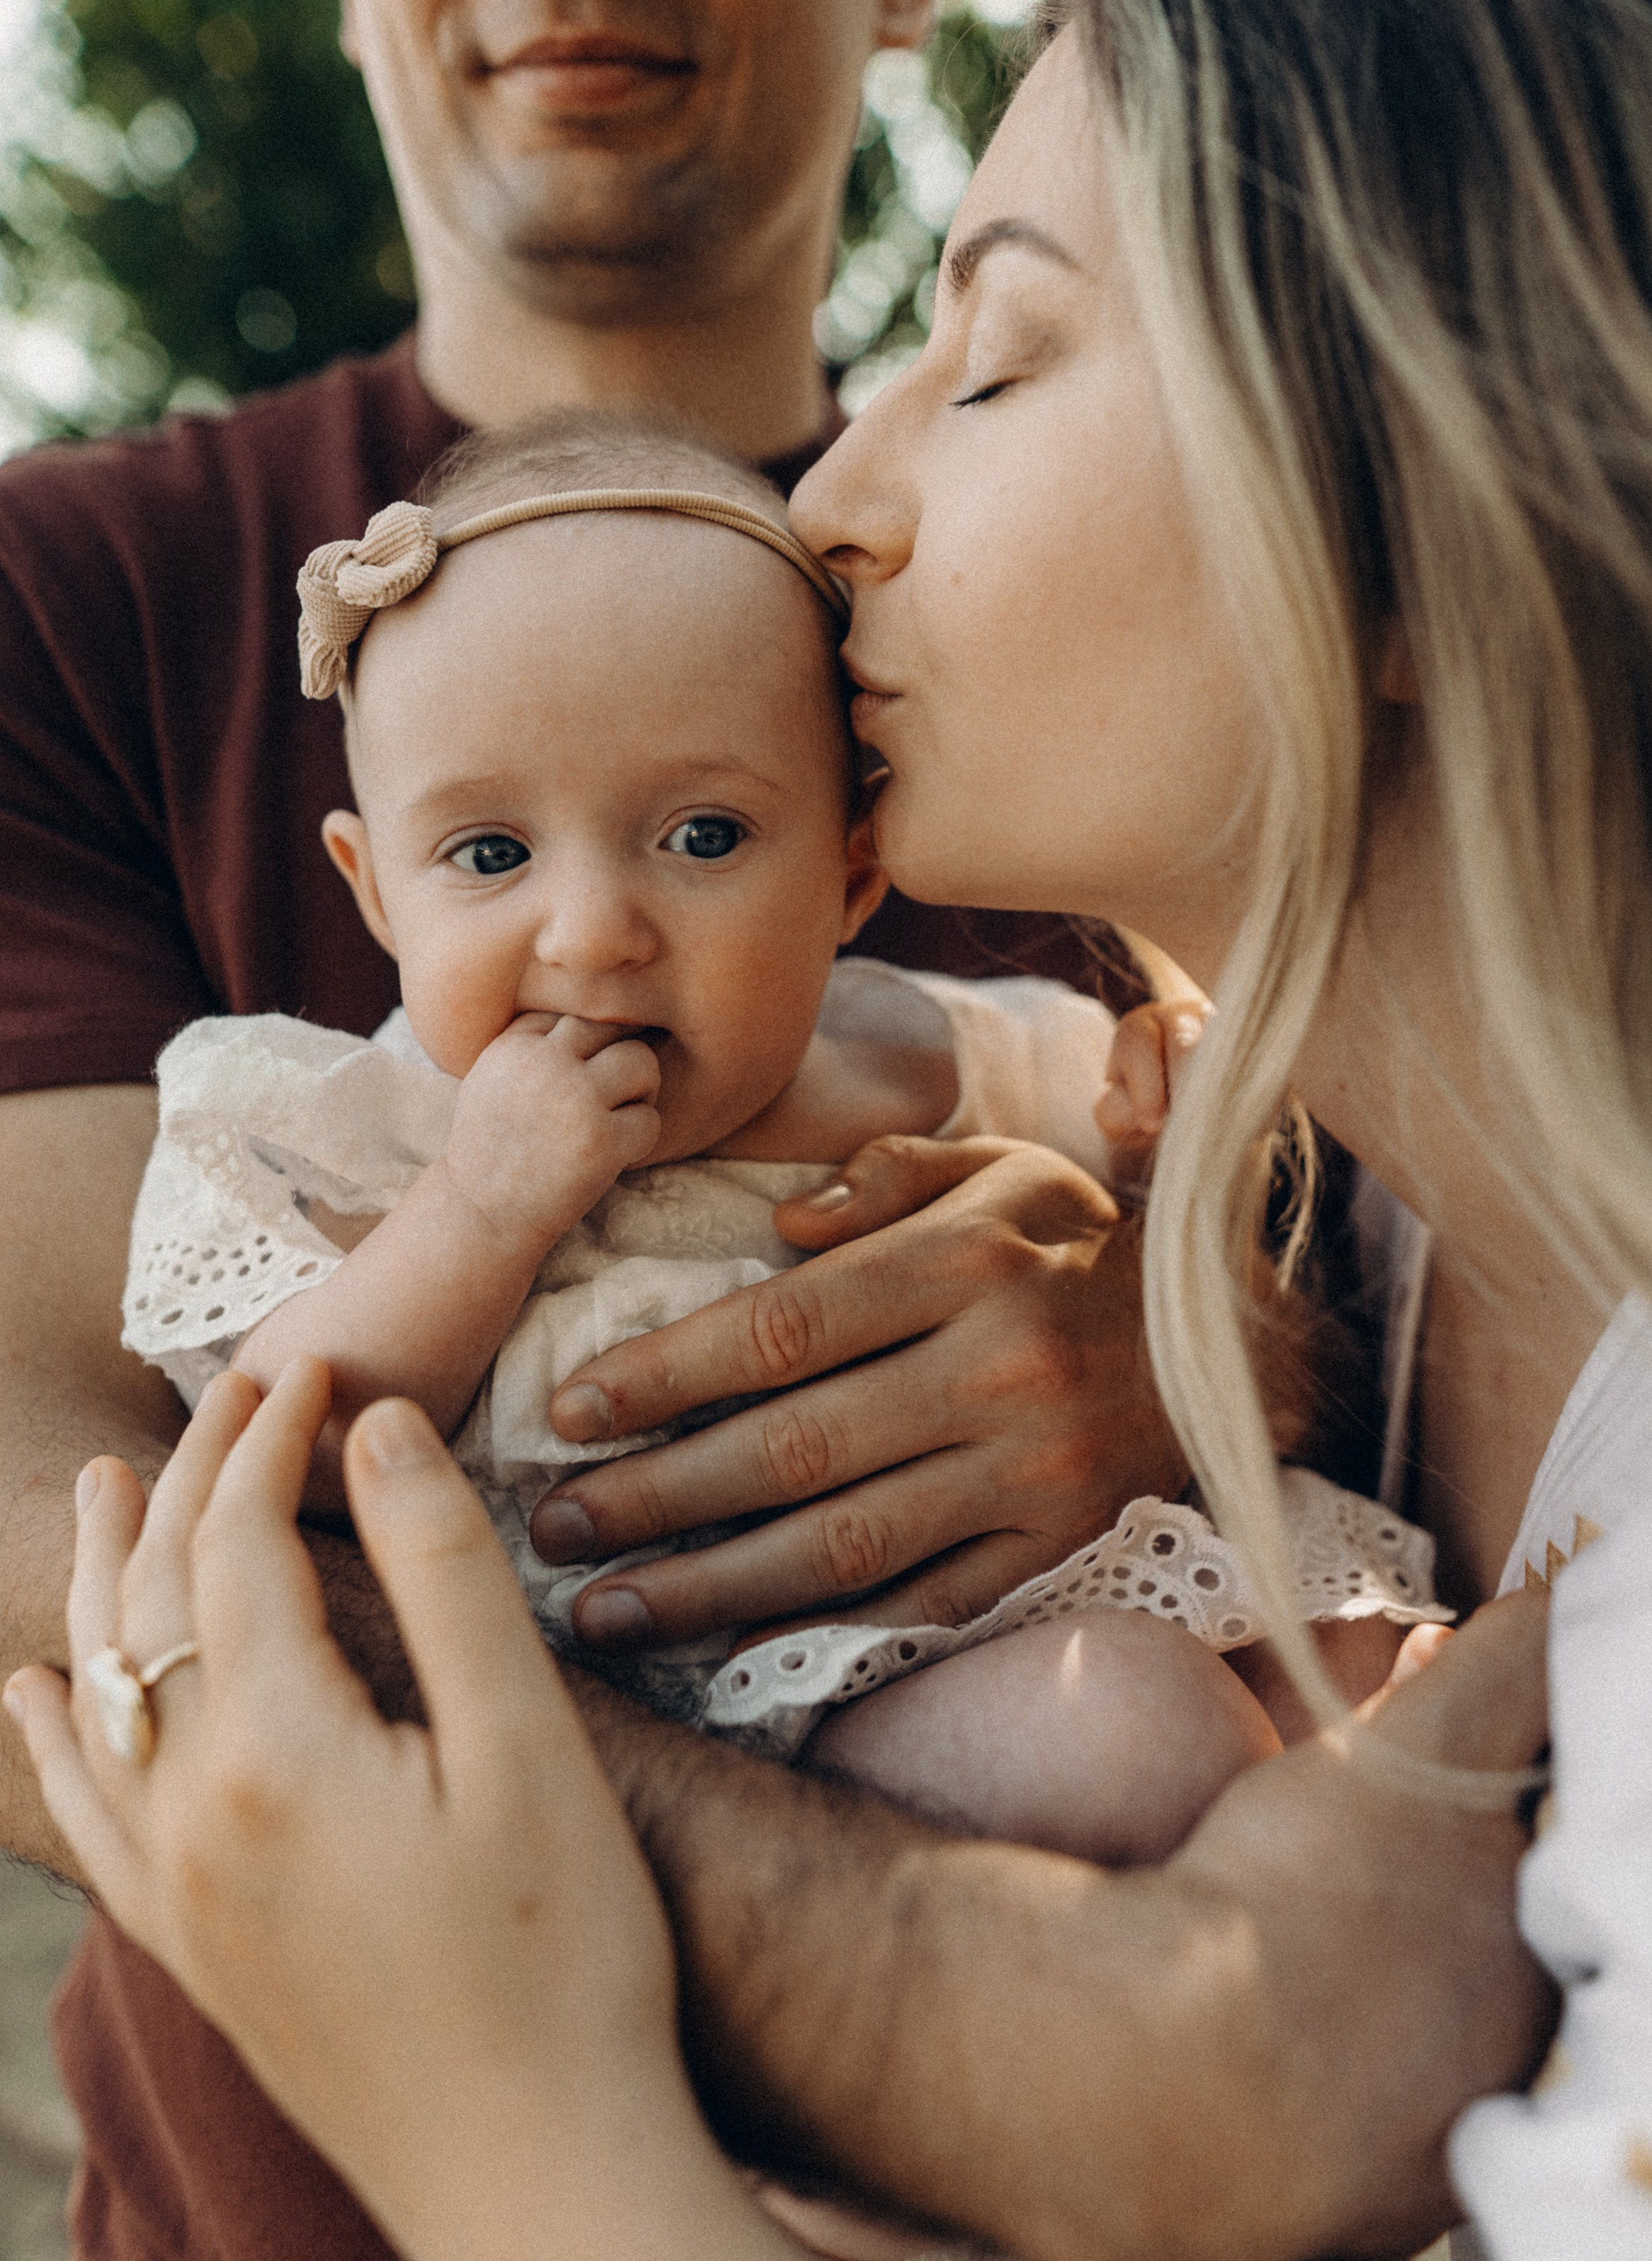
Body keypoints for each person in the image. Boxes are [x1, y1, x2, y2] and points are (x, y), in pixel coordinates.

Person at [20, 0, 1652, 2253]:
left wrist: (1208, 1335)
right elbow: (89, 1490)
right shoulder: (75, 605)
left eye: (992, 361)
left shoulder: (1073, 796)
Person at [123, 407, 1431, 1876]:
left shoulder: (955, 1057)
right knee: (1140, 1735)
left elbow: (1127, 1275)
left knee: (1370, 1656)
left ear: (851, 872)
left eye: (703, 837)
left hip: (1024, 1589)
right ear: (375, 891)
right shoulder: (355, 1130)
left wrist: (1168, 1149)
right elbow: (274, 1447)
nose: (592, 932)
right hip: (729, 1721)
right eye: (490, 854)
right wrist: (479, 1210)